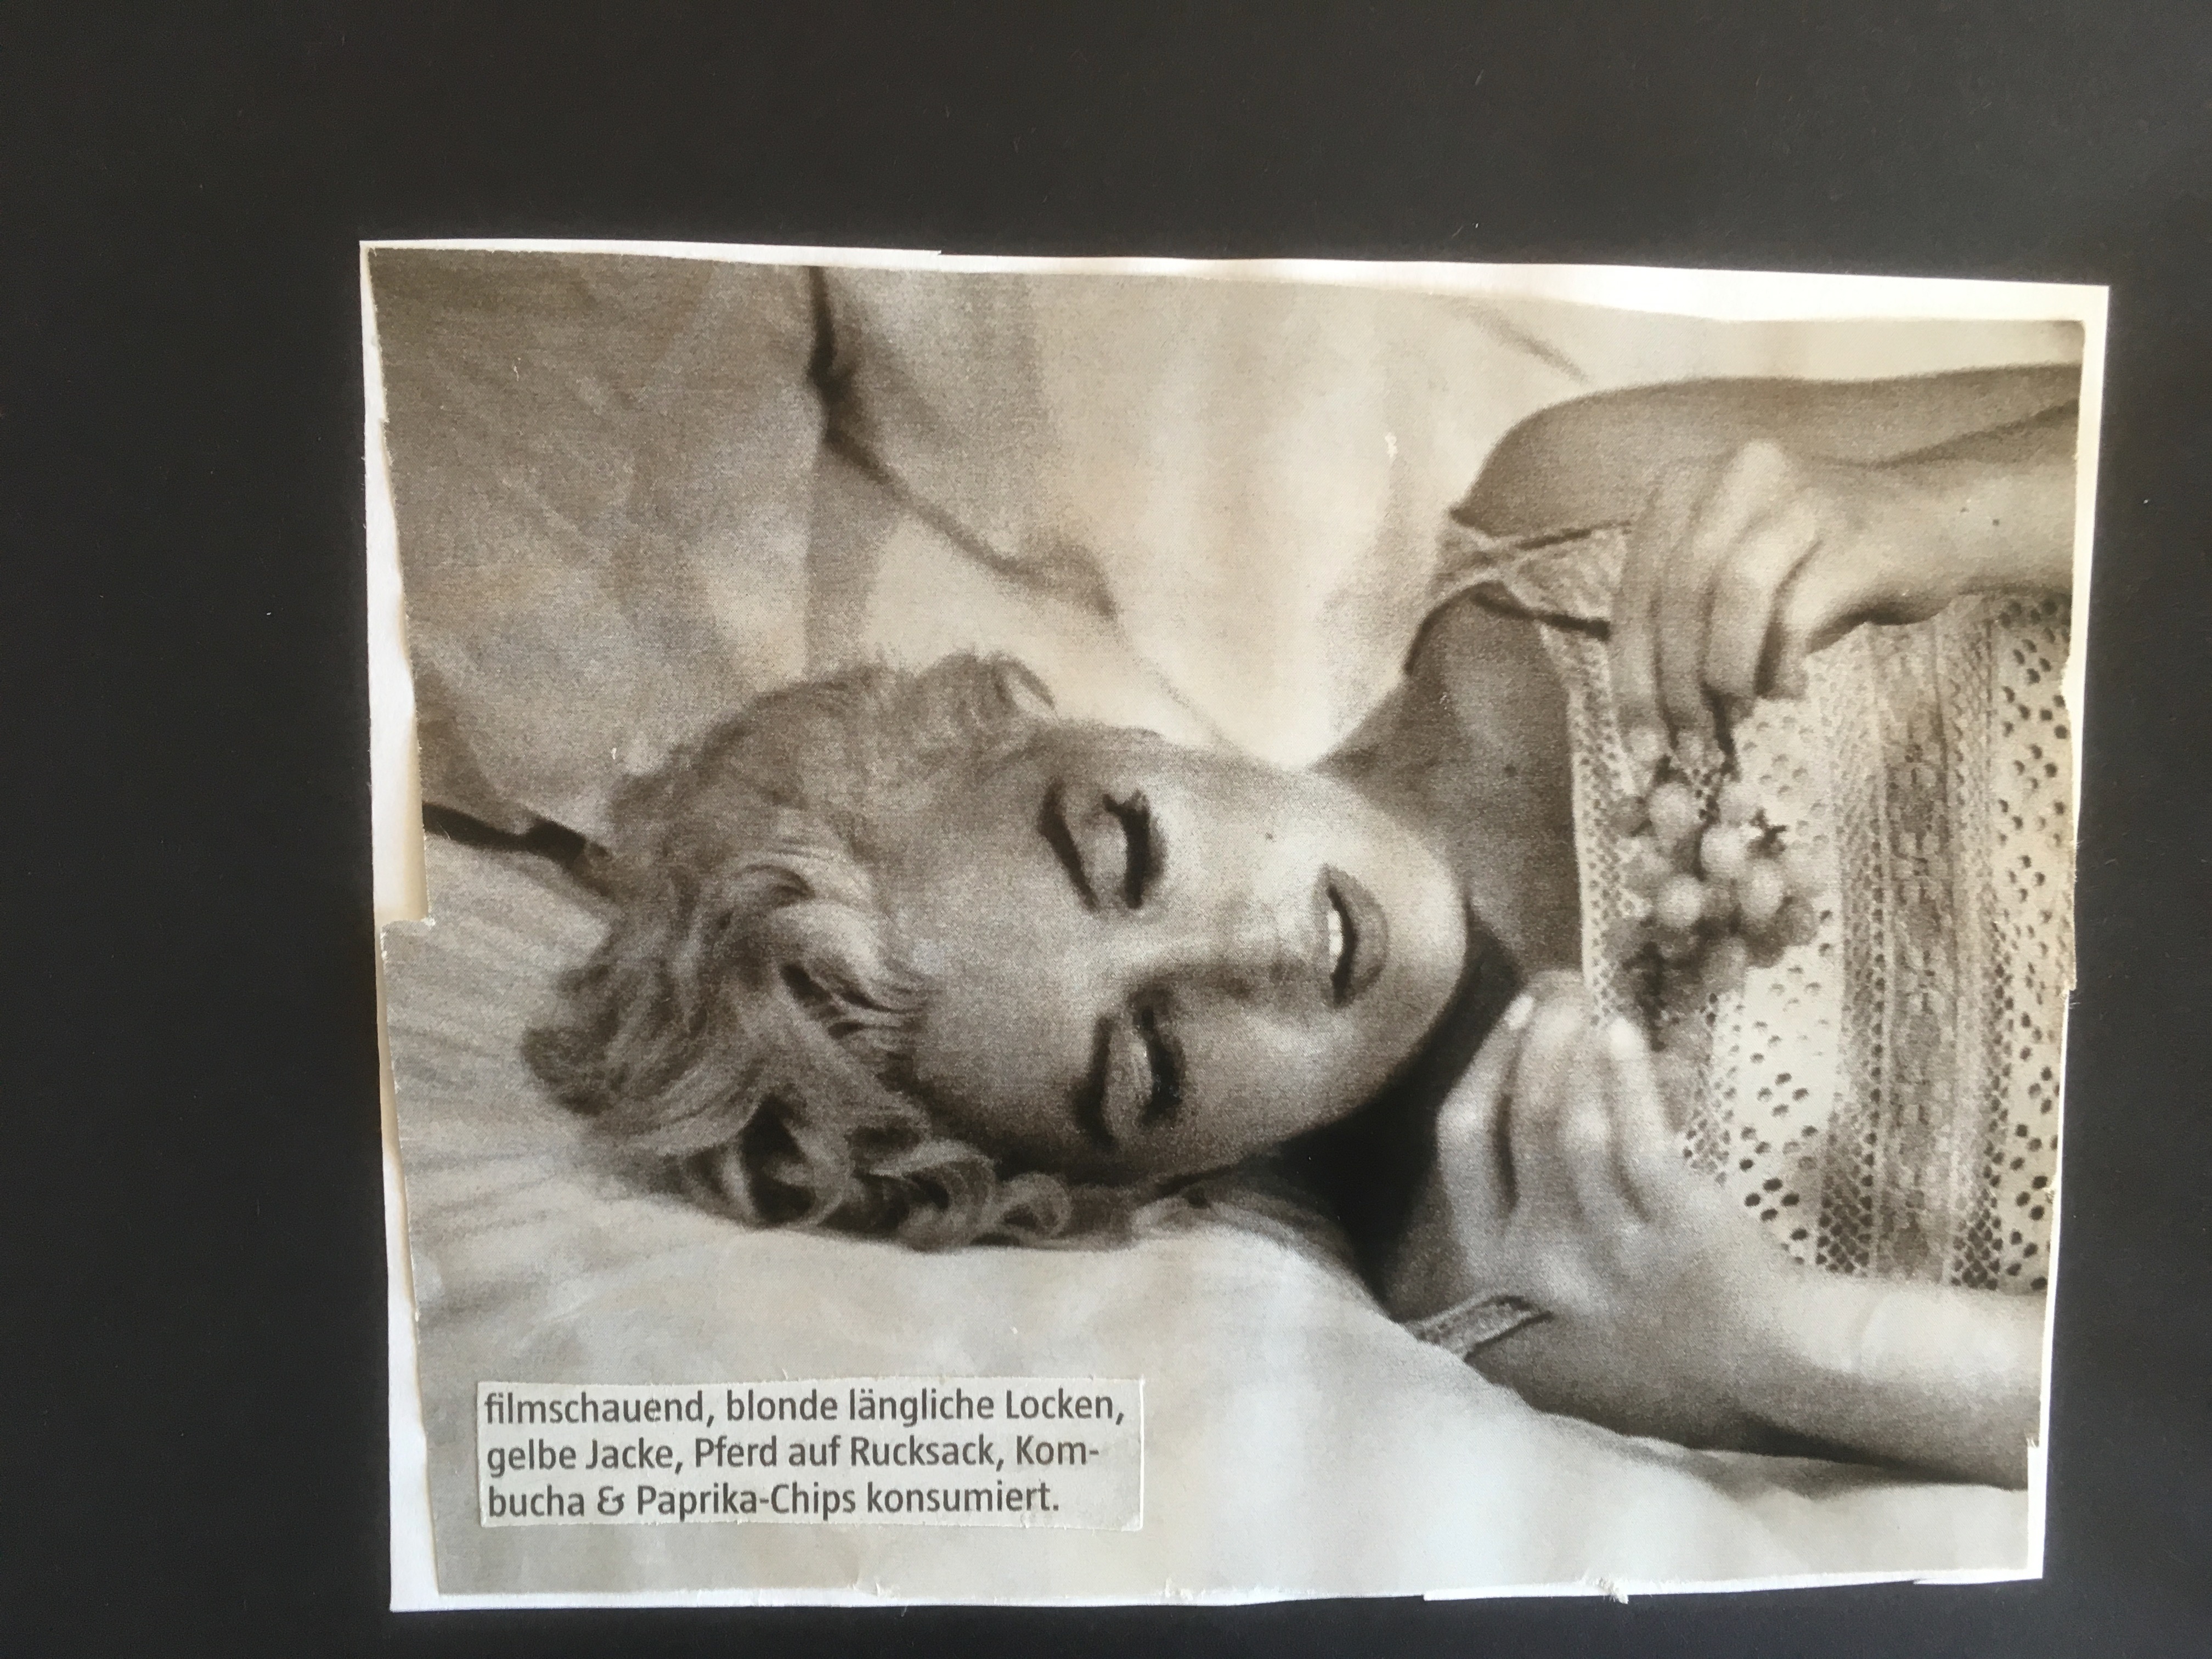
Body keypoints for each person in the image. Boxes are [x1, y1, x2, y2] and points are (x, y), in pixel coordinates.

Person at [527, 363, 2078, 1489]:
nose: (1247, 958)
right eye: (1148, 1065)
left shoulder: (1570, 508)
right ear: (1138, 1181)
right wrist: (1773, 1338)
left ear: (1103, 734)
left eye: (1126, 848)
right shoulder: (1531, 1293)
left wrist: (1946, 514)